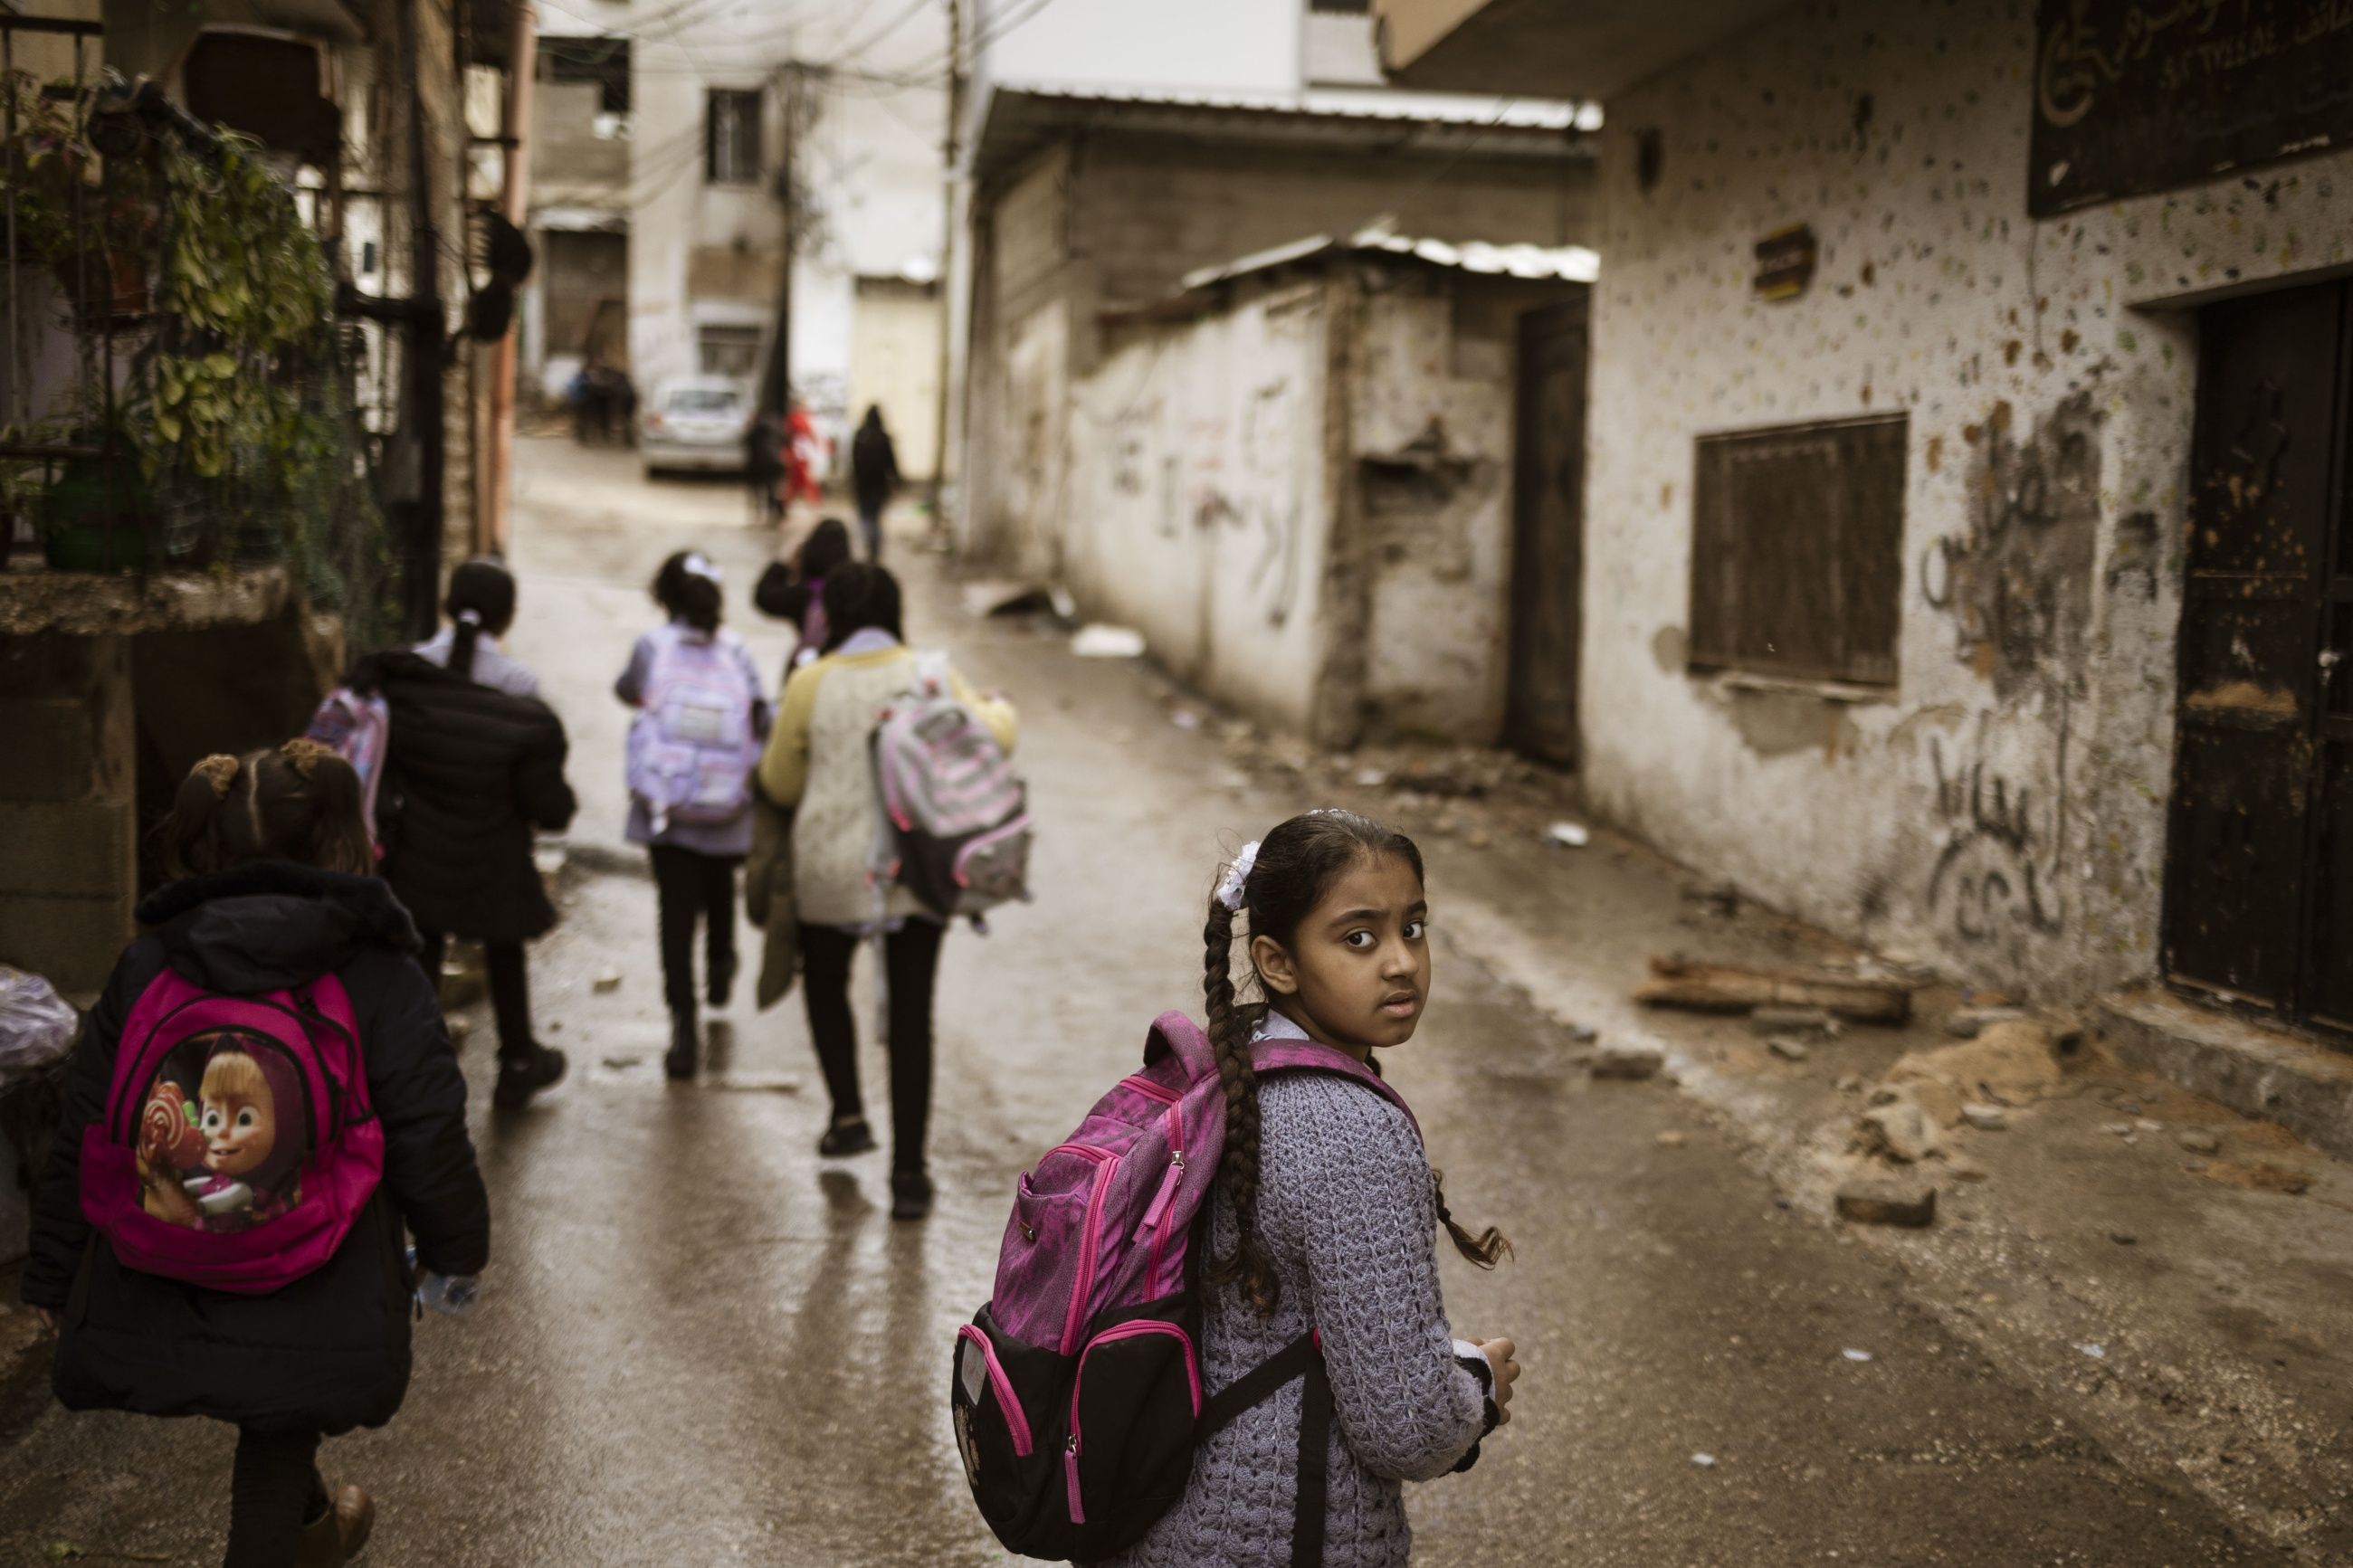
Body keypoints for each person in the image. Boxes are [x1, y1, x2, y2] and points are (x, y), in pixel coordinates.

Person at [19, 743, 491, 1568]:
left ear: (211, 842)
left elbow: (84, 1122)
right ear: (343, 840)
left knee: (272, 1403)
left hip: (161, 1257)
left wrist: (55, 1270)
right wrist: (454, 1252)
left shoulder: (150, 960)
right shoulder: (377, 971)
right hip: (321, 1262)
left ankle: (319, 1525)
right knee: (278, 1415)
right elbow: (428, 1126)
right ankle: (298, 1529)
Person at [1106, 809, 1521, 1568]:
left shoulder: (1236, 1068)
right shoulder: (1352, 1132)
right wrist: (1480, 1384)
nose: (1400, 962)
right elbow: (1407, 1426)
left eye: (1414, 928)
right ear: (1278, 961)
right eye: (1359, 937)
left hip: (1167, 1522)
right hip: (1280, 1536)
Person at [755, 563, 1015, 1219]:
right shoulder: (930, 673)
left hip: (830, 870)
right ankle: (909, 1174)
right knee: (910, 1016)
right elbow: (993, 735)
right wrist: (997, 706)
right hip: (916, 870)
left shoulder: (809, 681)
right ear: (894, 611)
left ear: (833, 617)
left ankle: (847, 1115)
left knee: (824, 982)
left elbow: (780, 783)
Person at [351, 568, 577, 1110]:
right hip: (491, 855)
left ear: (448, 603)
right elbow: (545, 806)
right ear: (508, 617)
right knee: (504, 947)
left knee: (421, 955)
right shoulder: (519, 687)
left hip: (417, 851)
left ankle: (413, 1072)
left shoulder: (406, 672)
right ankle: (519, 1060)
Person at [616, 551, 770, 1080]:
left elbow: (627, 690)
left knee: (675, 916)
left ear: (666, 596)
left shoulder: (651, 647)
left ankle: (684, 1030)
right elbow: (762, 714)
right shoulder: (738, 650)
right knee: (719, 885)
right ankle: (722, 962)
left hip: (668, 804)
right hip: (725, 804)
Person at [751, 516, 853, 676]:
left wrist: (783, 560)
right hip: (847, 669)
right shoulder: (854, 593)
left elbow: (763, 595)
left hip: (805, 671)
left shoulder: (803, 594)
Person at [849, 404, 900, 563]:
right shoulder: (883, 437)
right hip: (879, 487)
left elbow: (853, 463)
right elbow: (892, 463)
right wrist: (897, 481)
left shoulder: (859, 436)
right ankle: (874, 550)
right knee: (876, 519)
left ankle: (869, 547)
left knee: (866, 518)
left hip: (862, 486)